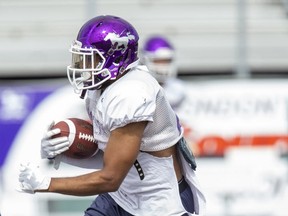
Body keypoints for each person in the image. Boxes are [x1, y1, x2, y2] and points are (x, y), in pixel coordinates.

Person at [18, 15, 206, 216]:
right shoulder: (102, 87)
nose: (82, 65)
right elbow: (110, 155)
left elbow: (110, 177)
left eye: (90, 57)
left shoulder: (132, 93)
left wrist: (46, 183)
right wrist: (61, 151)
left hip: (157, 202)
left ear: (114, 57)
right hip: (122, 193)